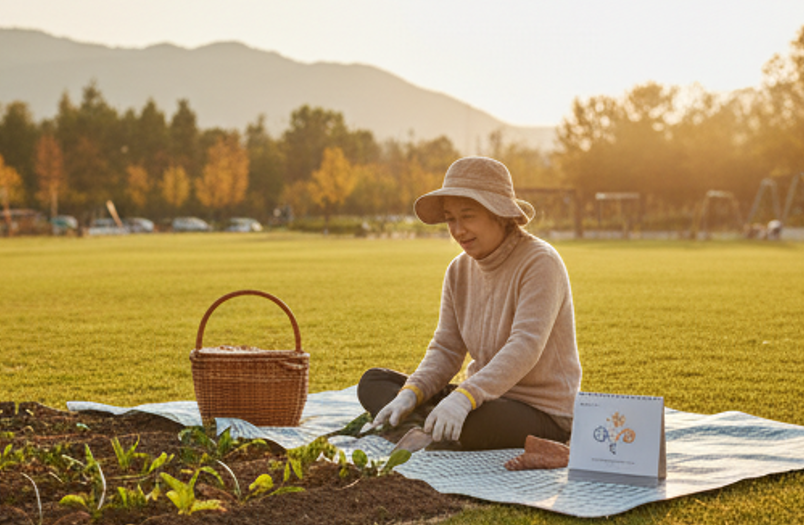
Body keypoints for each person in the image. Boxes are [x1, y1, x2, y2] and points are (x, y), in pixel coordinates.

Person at [357, 156, 582, 451]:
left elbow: (525, 345)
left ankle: (419, 428)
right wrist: (410, 394)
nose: (458, 230)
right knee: (373, 383)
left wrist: (464, 398)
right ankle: (423, 425)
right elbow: (447, 348)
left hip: (540, 409)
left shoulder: (541, 262)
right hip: (481, 396)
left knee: (474, 423)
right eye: (451, 218)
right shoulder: (458, 270)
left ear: (500, 215)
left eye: (468, 216)